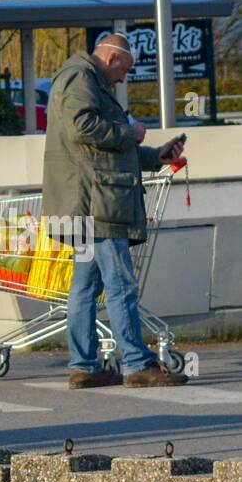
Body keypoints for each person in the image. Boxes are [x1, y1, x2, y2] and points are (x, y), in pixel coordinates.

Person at [43, 32, 187, 388]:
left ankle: (84, 366)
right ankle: (137, 364)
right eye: (125, 70)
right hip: (97, 204)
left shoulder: (85, 78)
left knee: (85, 286)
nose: (125, 78)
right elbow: (84, 127)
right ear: (111, 59)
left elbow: (99, 146)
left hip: (87, 201)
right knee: (120, 283)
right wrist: (129, 131)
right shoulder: (82, 77)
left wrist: (155, 157)